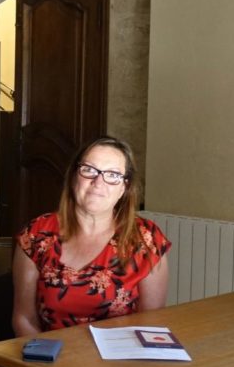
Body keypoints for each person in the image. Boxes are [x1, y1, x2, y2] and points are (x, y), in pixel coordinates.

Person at [12, 136, 171, 336]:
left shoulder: (147, 240)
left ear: (124, 187)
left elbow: (150, 325)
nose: (98, 182)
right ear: (73, 177)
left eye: (112, 174)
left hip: (119, 361)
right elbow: (24, 319)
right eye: (89, 170)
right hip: (50, 356)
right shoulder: (36, 234)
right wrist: (45, 360)